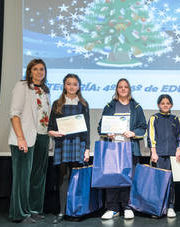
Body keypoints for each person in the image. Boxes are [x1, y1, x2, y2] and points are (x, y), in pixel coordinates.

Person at [98, 78, 147, 220]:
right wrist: (107, 132)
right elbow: (101, 126)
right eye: (120, 87)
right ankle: (112, 208)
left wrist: (134, 133)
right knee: (112, 178)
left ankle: (127, 207)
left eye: (126, 87)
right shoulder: (110, 106)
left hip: (130, 148)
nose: (123, 89)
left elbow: (142, 127)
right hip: (113, 148)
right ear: (117, 89)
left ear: (129, 89)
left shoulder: (136, 107)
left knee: (128, 178)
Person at [8, 59, 50, 223]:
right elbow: (14, 113)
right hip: (24, 138)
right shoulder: (22, 86)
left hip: (42, 137)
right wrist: (20, 138)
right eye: (36, 69)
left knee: (38, 176)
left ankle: (33, 209)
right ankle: (20, 213)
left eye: (42, 69)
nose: (39, 72)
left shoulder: (45, 91)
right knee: (22, 177)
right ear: (30, 71)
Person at [48, 74, 90, 224]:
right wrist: (54, 133)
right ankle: (61, 211)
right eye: (69, 84)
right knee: (63, 178)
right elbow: (50, 128)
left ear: (79, 86)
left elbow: (87, 129)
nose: (72, 86)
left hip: (78, 143)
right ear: (64, 85)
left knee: (76, 178)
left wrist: (87, 148)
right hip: (63, 144)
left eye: (75, 84)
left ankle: (75, 210)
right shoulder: (57, 104)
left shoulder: (83, 104)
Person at [147, 94, 180, 218]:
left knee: (171, 182)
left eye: (167, 103)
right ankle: (157, 208)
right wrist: (153, 152)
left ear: (171, 105)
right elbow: (151, 136)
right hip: (159, 155)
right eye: (162, 103)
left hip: (173, 155)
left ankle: (170, 207)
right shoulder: (154, 118)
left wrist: (178, 150)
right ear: (158, 105)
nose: (165, 105)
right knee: (159, 182)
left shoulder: (175, 119)